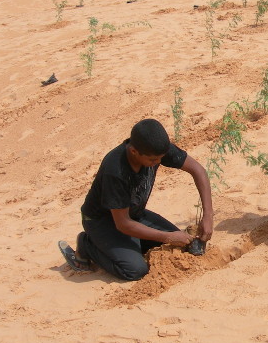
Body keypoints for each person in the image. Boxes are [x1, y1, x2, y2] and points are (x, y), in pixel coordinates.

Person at [58, 119, 213, 281]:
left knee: (181, 245)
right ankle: (87, 245)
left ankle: (129, 247)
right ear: (133, 151)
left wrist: (208, 216)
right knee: (135, 270)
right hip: (102, 221)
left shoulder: (155, 149)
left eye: (161, 158)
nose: (158, 162)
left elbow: (198, 170)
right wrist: (167, 236)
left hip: (133, 214)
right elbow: (123, 224)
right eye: (153, 160)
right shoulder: (116, 170)